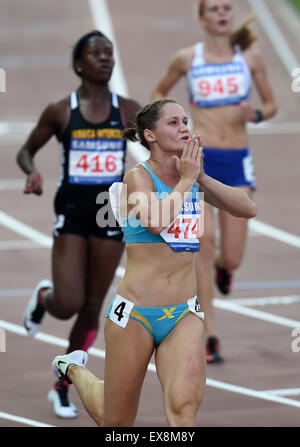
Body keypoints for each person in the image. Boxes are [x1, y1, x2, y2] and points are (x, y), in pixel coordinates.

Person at [51, 98, 256, 427]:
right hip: (135, 314)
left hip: (184, 314)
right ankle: (73, 367)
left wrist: (200, 178)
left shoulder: (192, 179)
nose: (184, 127)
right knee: (115, 422)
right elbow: (156, 222)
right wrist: (187, 182)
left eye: (185, 121)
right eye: (173, 123)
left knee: (183, 410)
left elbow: (247, 209)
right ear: (150, 135)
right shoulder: (138, 178)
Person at [16, 30, 141, 419]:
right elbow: (25, 151)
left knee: (91, 306)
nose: (105, 58)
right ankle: (43, 298)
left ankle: (62, 383)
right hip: (71, 210)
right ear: (79, 64)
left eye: (109, 52)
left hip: (109, 213)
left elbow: (157, 144)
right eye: (95, 53)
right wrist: (32, 172)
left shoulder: (127, 110)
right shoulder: (61, 110)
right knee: (67, 302)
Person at [151, 0, 277, 363]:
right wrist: (173, 127)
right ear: (202, 18)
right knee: (202, 244)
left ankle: (226, 269)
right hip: (199, 159)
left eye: (227, 8)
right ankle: (209, 335)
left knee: (232, 256)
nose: (222, 13)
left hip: (237, 161)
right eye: (214, 9)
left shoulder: (249, 57)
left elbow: (270, 105)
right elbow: (160, 94)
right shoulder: (186, 58)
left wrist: (255, 112)